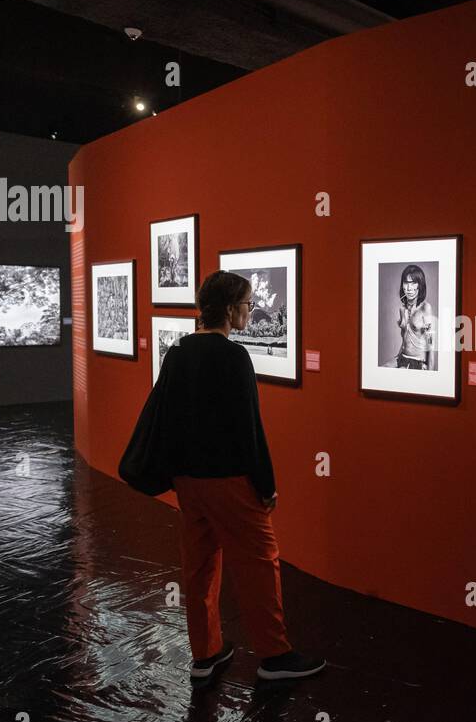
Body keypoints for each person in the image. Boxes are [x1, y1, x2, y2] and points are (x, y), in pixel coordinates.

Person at [124, 270, 325, 687]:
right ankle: (275, 655)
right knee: (258, 563)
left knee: (199, 566)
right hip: (229, 481)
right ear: (232, 309)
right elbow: (249, 430)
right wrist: (266, 485)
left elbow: (170, 417)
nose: (252, 311)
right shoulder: (234, 358)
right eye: (249, 304)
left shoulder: (178, 351)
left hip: (188, 482)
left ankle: (205, 654)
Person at [392, 264, 435, 369]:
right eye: (406, 283)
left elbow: (430, 344)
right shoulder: (402, 309)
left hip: (418, 362)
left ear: (420, 285)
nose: (409, 288)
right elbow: (405, 339)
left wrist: (431, 371)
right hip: (402, 359)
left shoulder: (425, 308)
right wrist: (397, 358)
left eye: (413, 283)